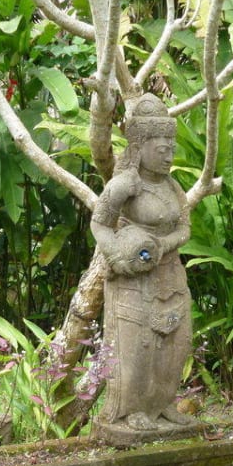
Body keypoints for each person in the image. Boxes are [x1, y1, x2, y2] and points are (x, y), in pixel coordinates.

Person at [90, 94, 195, 431]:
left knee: (176, 344)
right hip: (135, 280)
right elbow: (99, 224)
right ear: (140, 147)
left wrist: (164, 245)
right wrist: (116, 256)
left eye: (171, 149)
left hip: (170, 274)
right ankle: (132, 409)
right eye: (161, 149)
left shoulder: (172, 186)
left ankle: (163, 404)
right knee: (138, 348)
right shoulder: (124, 185)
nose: (169, 156)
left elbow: (185, 228)